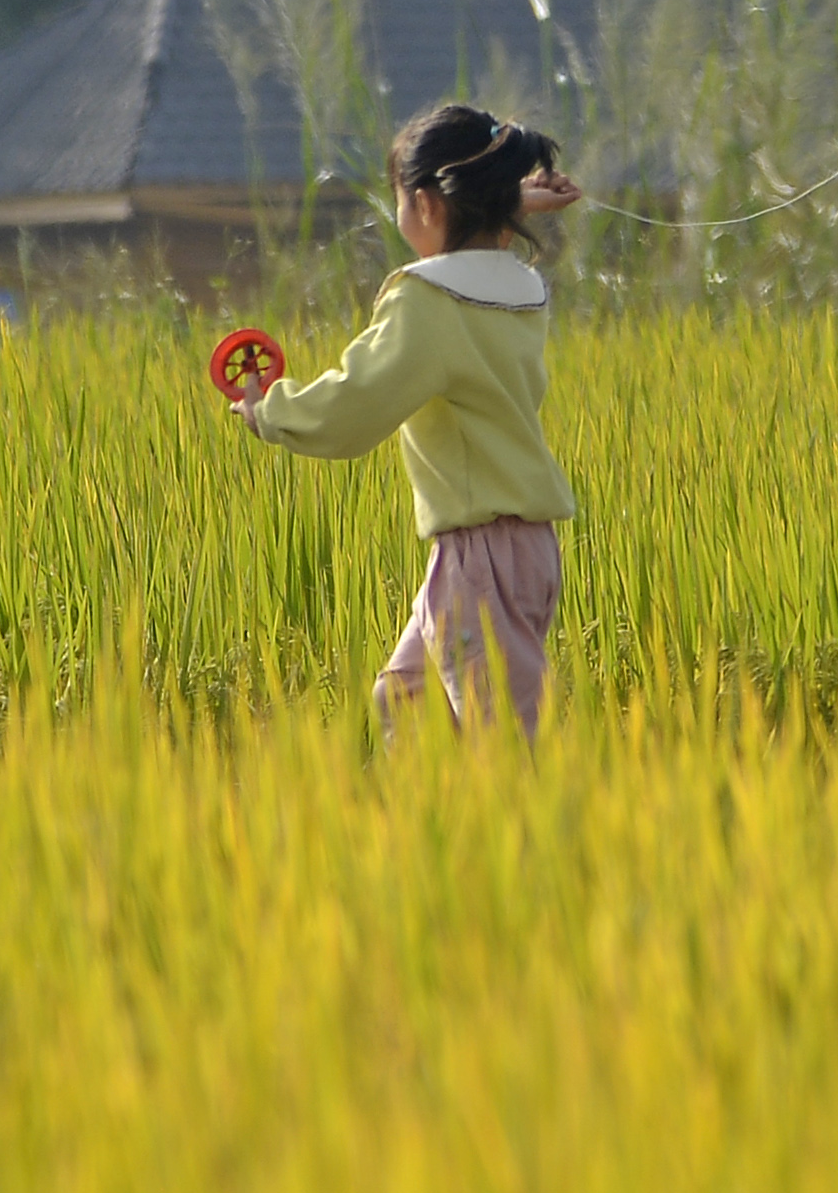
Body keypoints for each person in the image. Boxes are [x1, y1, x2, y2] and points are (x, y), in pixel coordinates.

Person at [224, 100, 587, 734]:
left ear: (427, 204)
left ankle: (536, 833)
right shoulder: (517, 290)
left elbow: (357, 401)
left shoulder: (430, 302)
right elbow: (478, 246)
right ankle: (422, 829)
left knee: (507, 742)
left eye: (399, 200)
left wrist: (270, 410)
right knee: (406, 699)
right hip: (521, 546)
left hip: (480, 555)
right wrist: (511, 201)